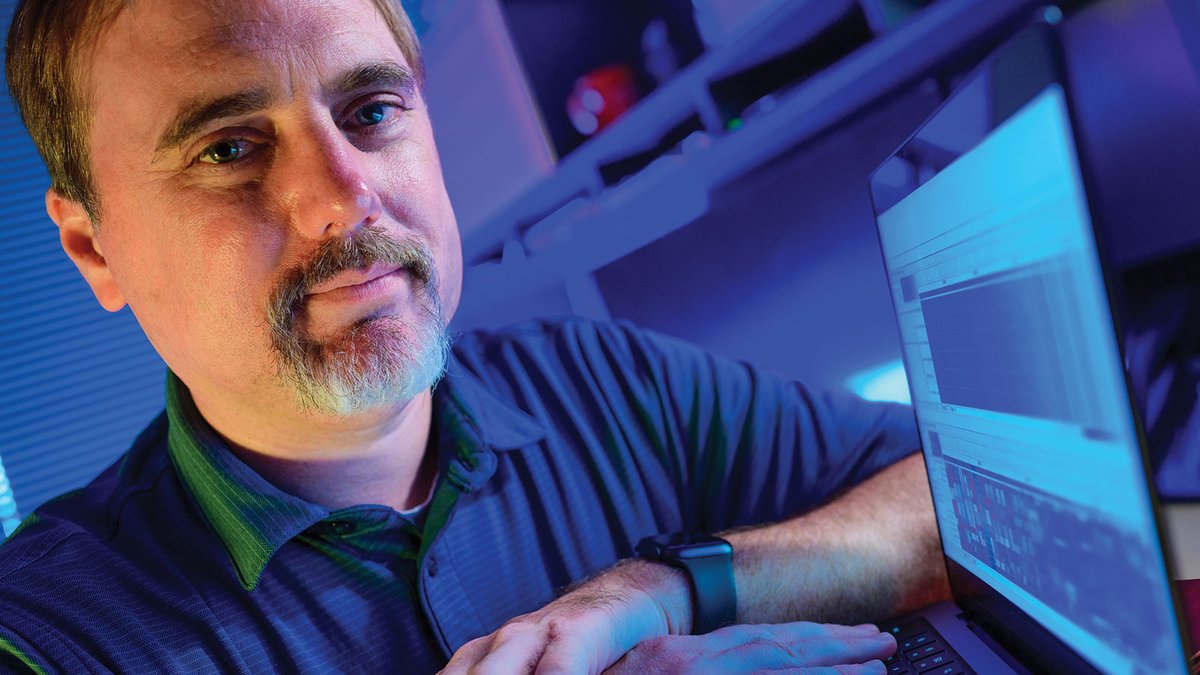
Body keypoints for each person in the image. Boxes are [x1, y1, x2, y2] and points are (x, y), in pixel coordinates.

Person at [0, 0, 949, 672]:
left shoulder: (603, 379)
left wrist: (667, 589)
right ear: (93, 248)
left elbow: (962, 496)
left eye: (371, 112)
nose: (343, 198)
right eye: (229, 149)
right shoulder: (51, 633)